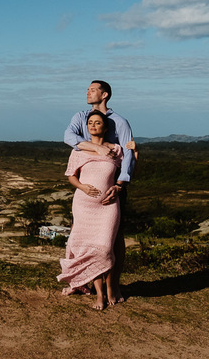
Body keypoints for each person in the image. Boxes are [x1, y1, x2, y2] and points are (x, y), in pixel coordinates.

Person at [63, 79, 135, 302]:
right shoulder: (79, 117)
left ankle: (113, 286)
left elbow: (129, 153)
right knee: (79, 236)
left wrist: (120, 185)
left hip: (112, 187)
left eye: (92, 89)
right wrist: (96, 147)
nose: (87, 92)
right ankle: (79, 281)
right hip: (86, 189)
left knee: (114, 238)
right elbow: (69, 138)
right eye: (87, 89)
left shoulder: (120, 122)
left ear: (104, 95)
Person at [57, 110, 124, 310]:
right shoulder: (78, 151)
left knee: (104, 249)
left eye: (97, 122)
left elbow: (128, 170)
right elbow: (71, 176)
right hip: (84, 205)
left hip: (108, 207)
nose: (93, 125)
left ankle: (109, 288)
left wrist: (135, 152)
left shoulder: (116, 150)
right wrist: (83, 187)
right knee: (85, 248)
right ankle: (100, 295)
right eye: (90, 123)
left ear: (106, 127)